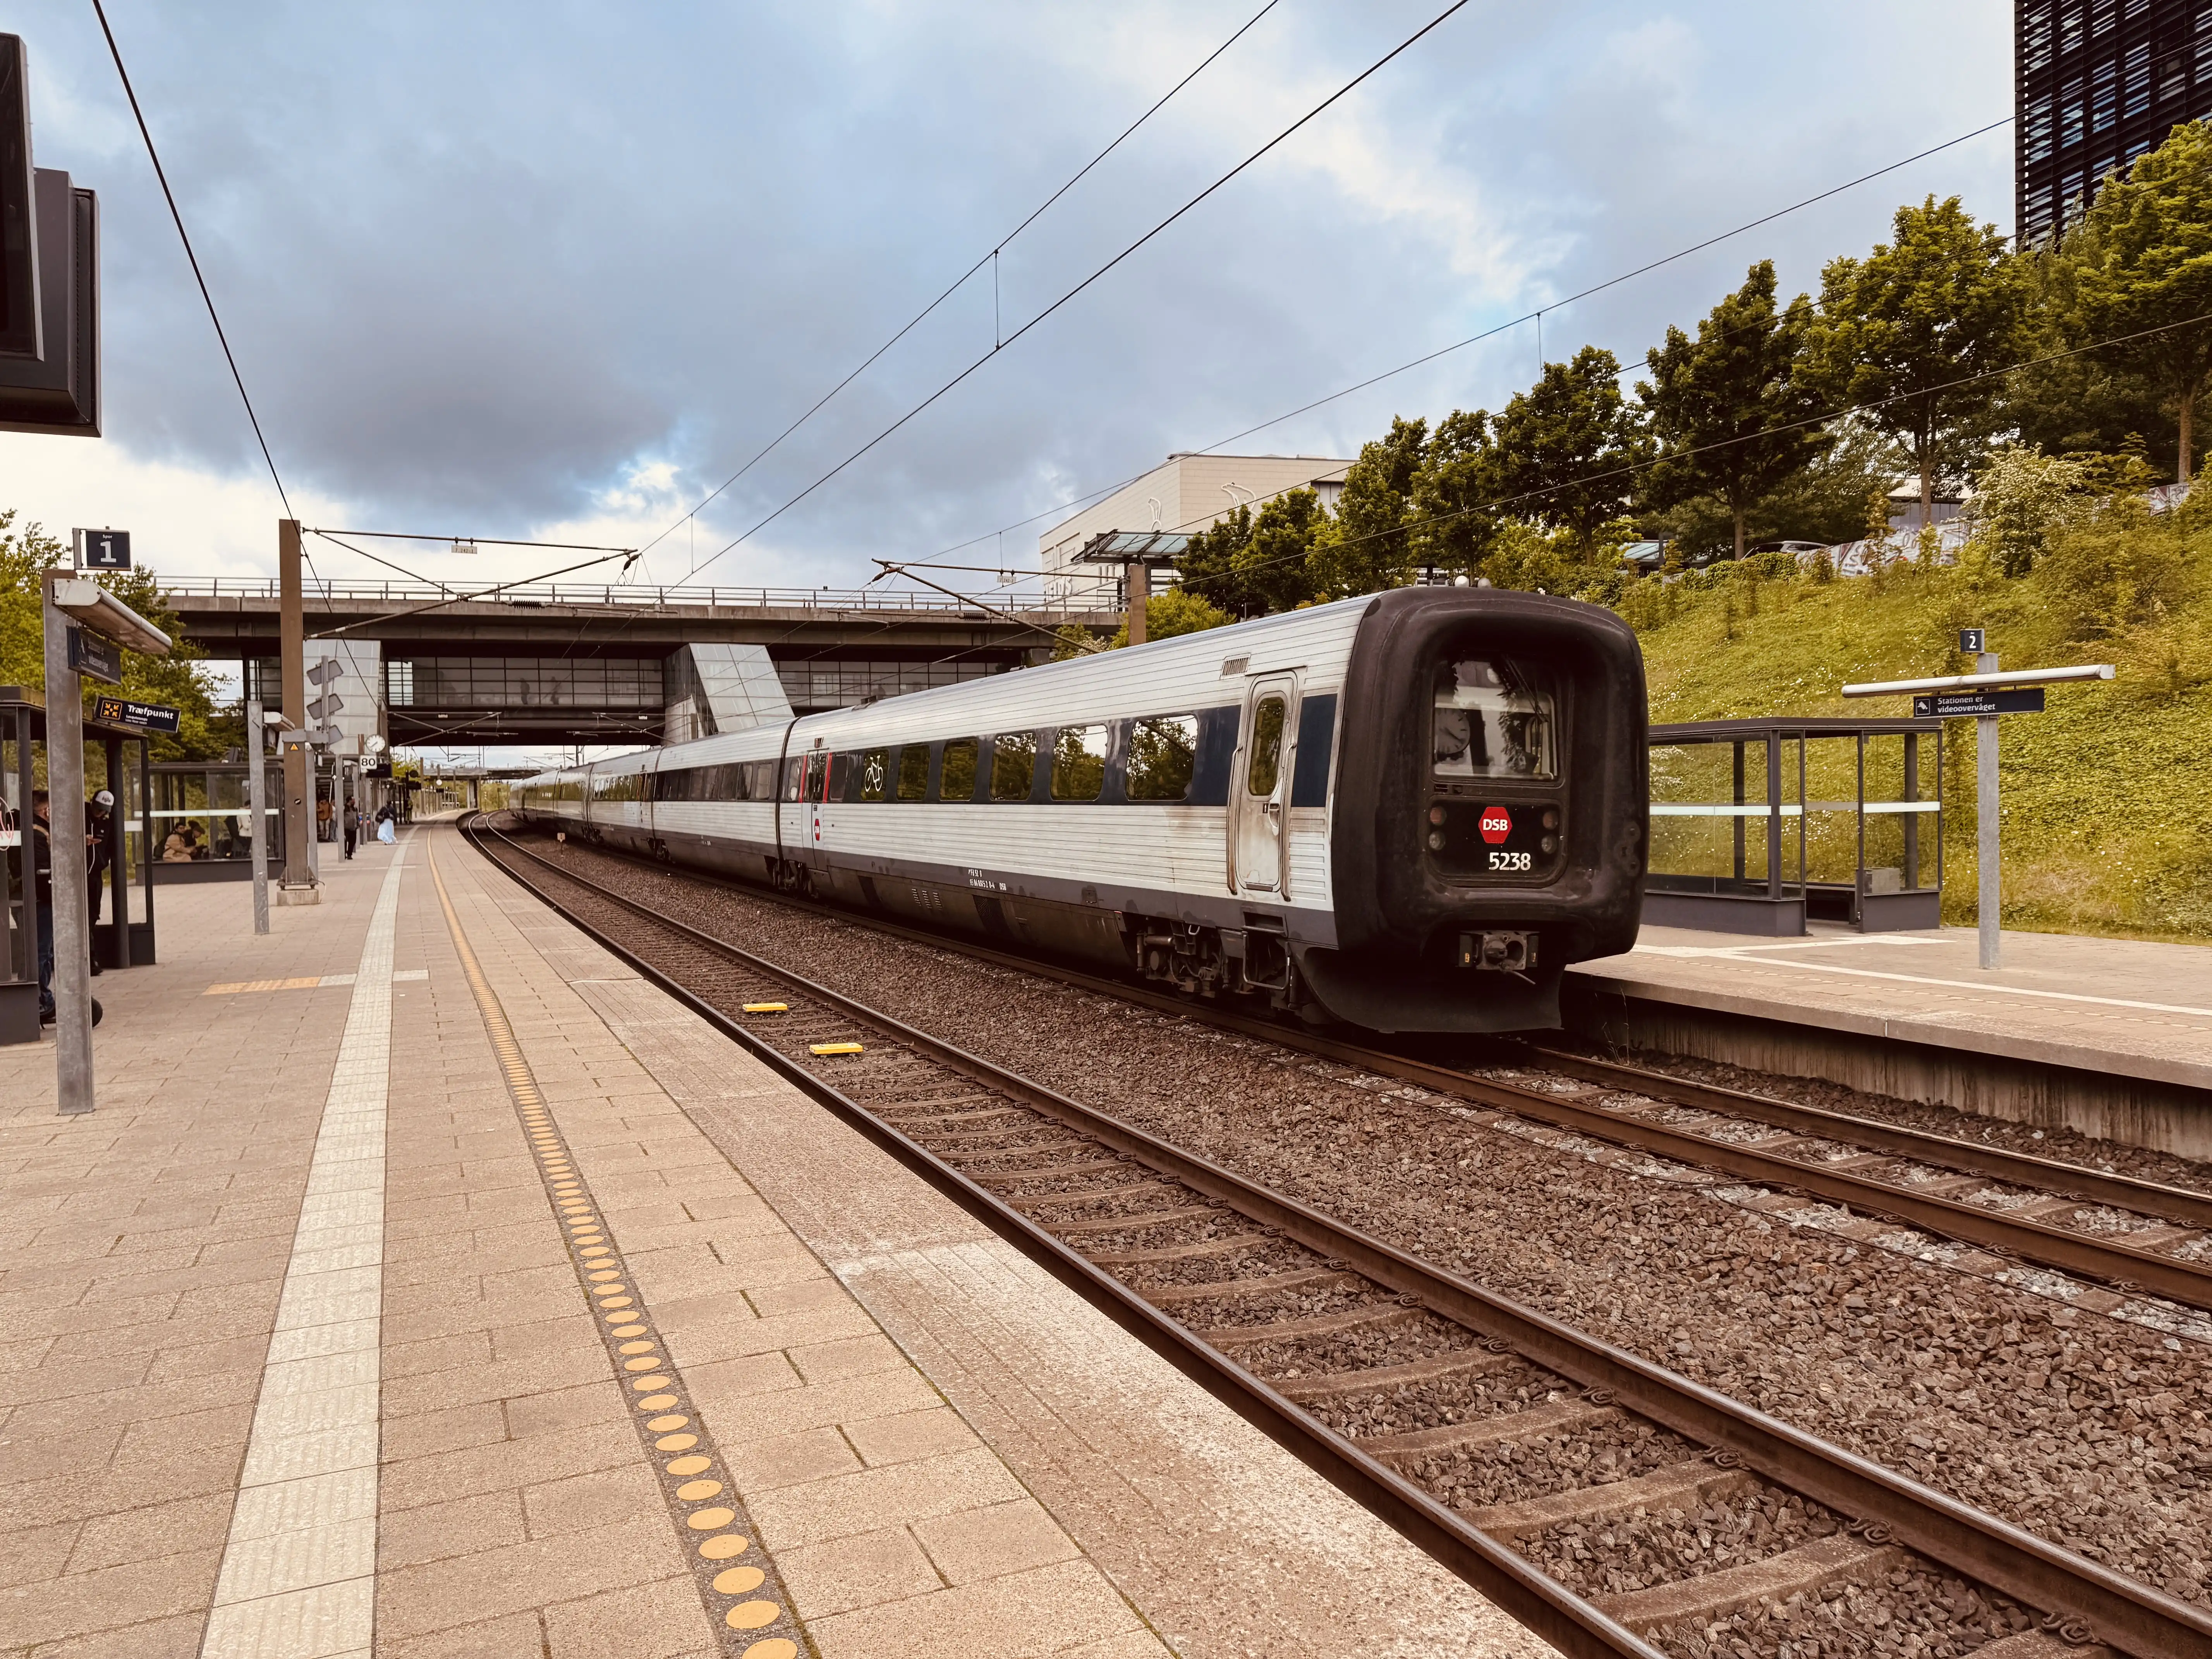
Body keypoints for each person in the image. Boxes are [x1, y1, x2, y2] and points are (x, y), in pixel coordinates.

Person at [342, 796, 359, 860]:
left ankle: (350, 854)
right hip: (346, 828)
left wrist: (358, 823)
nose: (354, 801)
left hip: (354, 828)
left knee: (353, 841)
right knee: (345, 841)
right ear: (349, 801)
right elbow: (341, 817)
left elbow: (358, 817)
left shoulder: (355, 809)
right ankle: (344, 854)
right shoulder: (344, 808)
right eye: (353, 800)